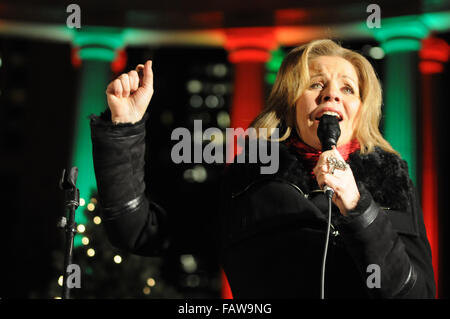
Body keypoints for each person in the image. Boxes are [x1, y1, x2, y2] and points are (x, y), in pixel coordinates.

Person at [90, 39, 435, 298]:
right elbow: (138, 230)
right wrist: (124, 129)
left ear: (360, 111)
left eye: (348, 88)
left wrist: (359, 208)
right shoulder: (246, 180)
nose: (332, 95)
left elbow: (415, 292)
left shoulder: (391, 180)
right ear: (289, 101)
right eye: (315, 84)